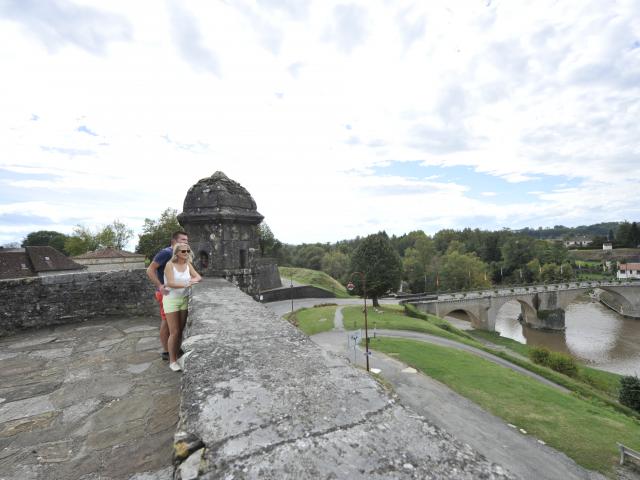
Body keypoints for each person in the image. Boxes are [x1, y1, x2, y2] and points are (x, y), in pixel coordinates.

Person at [146, 231, 189, 361]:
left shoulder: (180, 253)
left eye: (187, 240)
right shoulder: (166, 253)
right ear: (174, 241)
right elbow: (150, 269)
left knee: (172, 324)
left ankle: (173, 349)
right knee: (166, 322)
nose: (185, 242)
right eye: (182, 240)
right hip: (166, 294)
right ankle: (166, 351)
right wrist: (160, 286)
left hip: (176, 294)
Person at [163, 243, 201, 371]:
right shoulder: (170, 265)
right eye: (183, 251)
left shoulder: (187, 265)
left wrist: (191, 281)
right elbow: (170, 283)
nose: (186, 253)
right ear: (177, 253)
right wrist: (188, 283)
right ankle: (172, 361)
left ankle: (178, 355)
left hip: (183, 299)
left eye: (188, 251)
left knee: (181, 329)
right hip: (171, 300)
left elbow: (198, 277)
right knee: (174, 332)